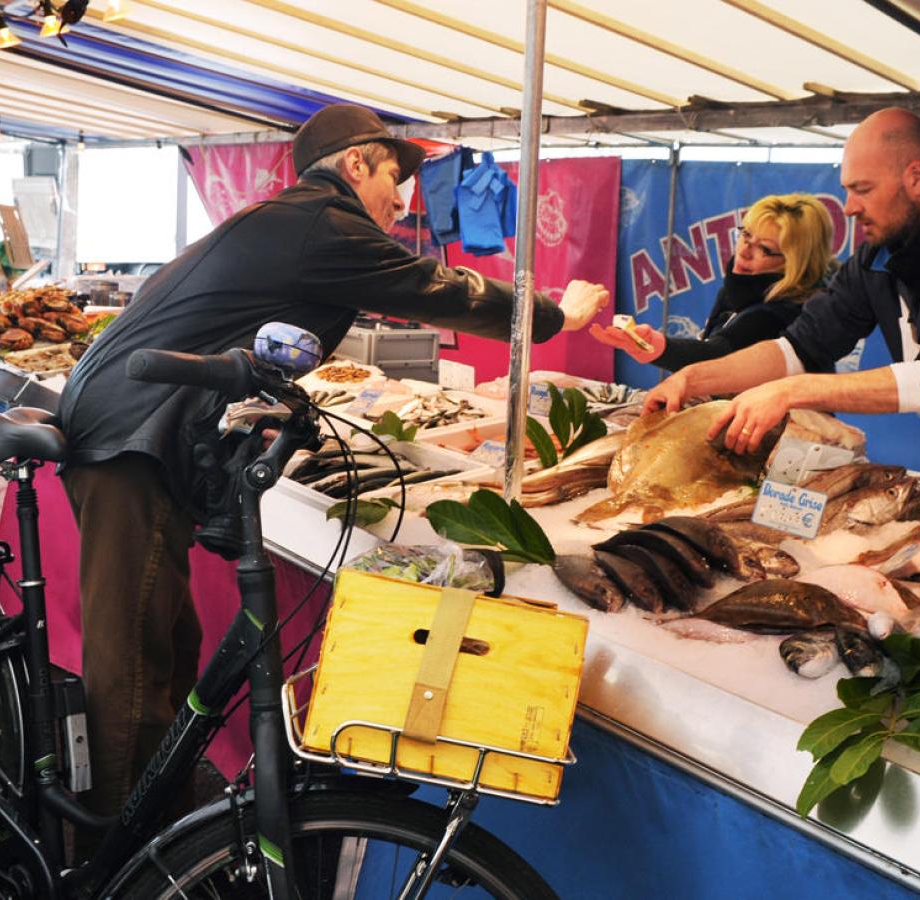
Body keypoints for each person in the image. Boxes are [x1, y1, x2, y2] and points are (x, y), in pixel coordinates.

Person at [56, 103, 611, 828]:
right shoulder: (323, 222)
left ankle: (160, 818)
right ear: (355, 165)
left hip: (142, 427)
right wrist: (556, 314)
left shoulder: (297, 224)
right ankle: (116, 850)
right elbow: (439, 290)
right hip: (132, 436)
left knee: (170, 637)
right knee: (133, 658)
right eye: (393, 176)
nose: (400, 198)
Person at [643, 107, 920, 529]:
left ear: (916, 177)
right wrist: (695, 377)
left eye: (862, 189)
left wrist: (791, 391)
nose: (849, 208)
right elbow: (797, 347)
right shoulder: (876, 260)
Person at [589, 193, 836, 371]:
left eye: (764, 248)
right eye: (745, 235)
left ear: (795, 261)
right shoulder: (741, 289)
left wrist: (660, 347)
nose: (744, 251)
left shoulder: (784, 313)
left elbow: (720, 356)